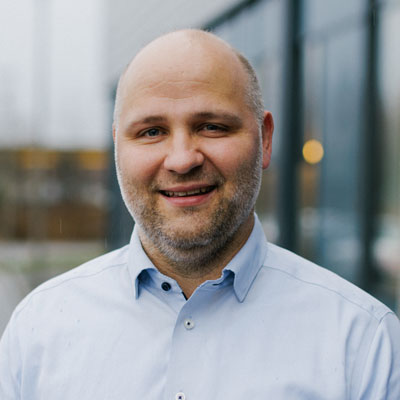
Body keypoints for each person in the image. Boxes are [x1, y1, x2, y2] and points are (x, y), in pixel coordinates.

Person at [1, 29, 399, 400]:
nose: (181, 160)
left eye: (211, 126)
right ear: (117, 148)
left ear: (265, 140)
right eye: (151, 131)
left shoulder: (363, 343)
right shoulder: (38, 331)